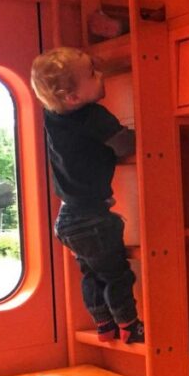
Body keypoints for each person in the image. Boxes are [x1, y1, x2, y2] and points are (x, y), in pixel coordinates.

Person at [30, 47, 144, 344]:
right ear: (73, 98)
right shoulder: (93, 116)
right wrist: (145, 132)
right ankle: (129, 325)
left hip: (67, 218)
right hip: (92, 217)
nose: (101, 75)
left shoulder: (53, 116)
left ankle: (104, 324)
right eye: (93, 74)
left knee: (92, 273)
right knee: (117, 273)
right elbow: (124, 145)